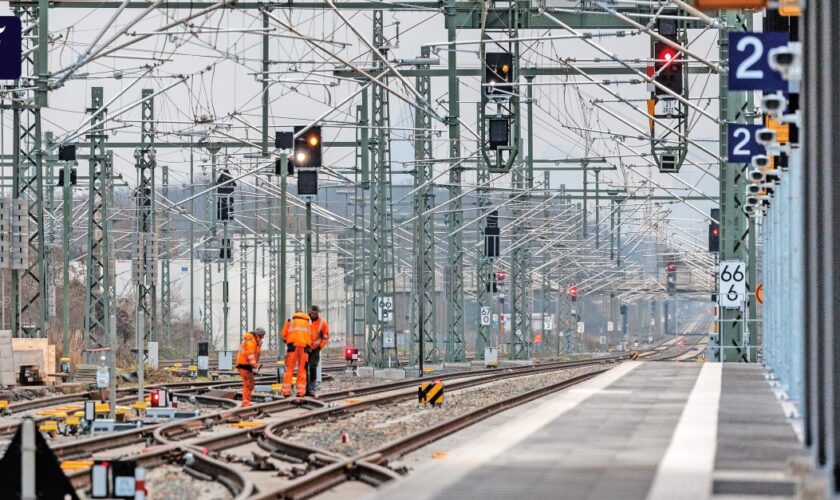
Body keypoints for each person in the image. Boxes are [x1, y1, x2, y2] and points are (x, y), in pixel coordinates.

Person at [281, 311, 312, 397]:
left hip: (292, 347)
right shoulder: (308, 321)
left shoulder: (290, 320)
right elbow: (312, 336)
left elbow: (283, 335)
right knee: (302, 370)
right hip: (305, 348)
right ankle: (301, 392)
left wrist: (288, 342)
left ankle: (286, 392)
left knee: (289, 369)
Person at [236, 327, 265, 407]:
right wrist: (255, 365)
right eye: (262, 336)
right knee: (248, 384)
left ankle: (247, 401)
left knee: (250, 384)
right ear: (260, 335)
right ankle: (245, 402)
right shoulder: (251, 341)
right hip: (244, 365)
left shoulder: (252, 340)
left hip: (245, 365)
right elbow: (250, 355)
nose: (263, 337)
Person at [306, 305, 330, 397]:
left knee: (312, 367)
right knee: (303, 369)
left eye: (315, 313)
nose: (314, 315)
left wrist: (319, 347)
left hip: (315, 349)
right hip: (305, 348)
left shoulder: (322, 323)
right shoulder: (305, 320)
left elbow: (325, 336)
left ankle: (311, 388)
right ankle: (305, 388)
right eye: (313, 313)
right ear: (310, 312)